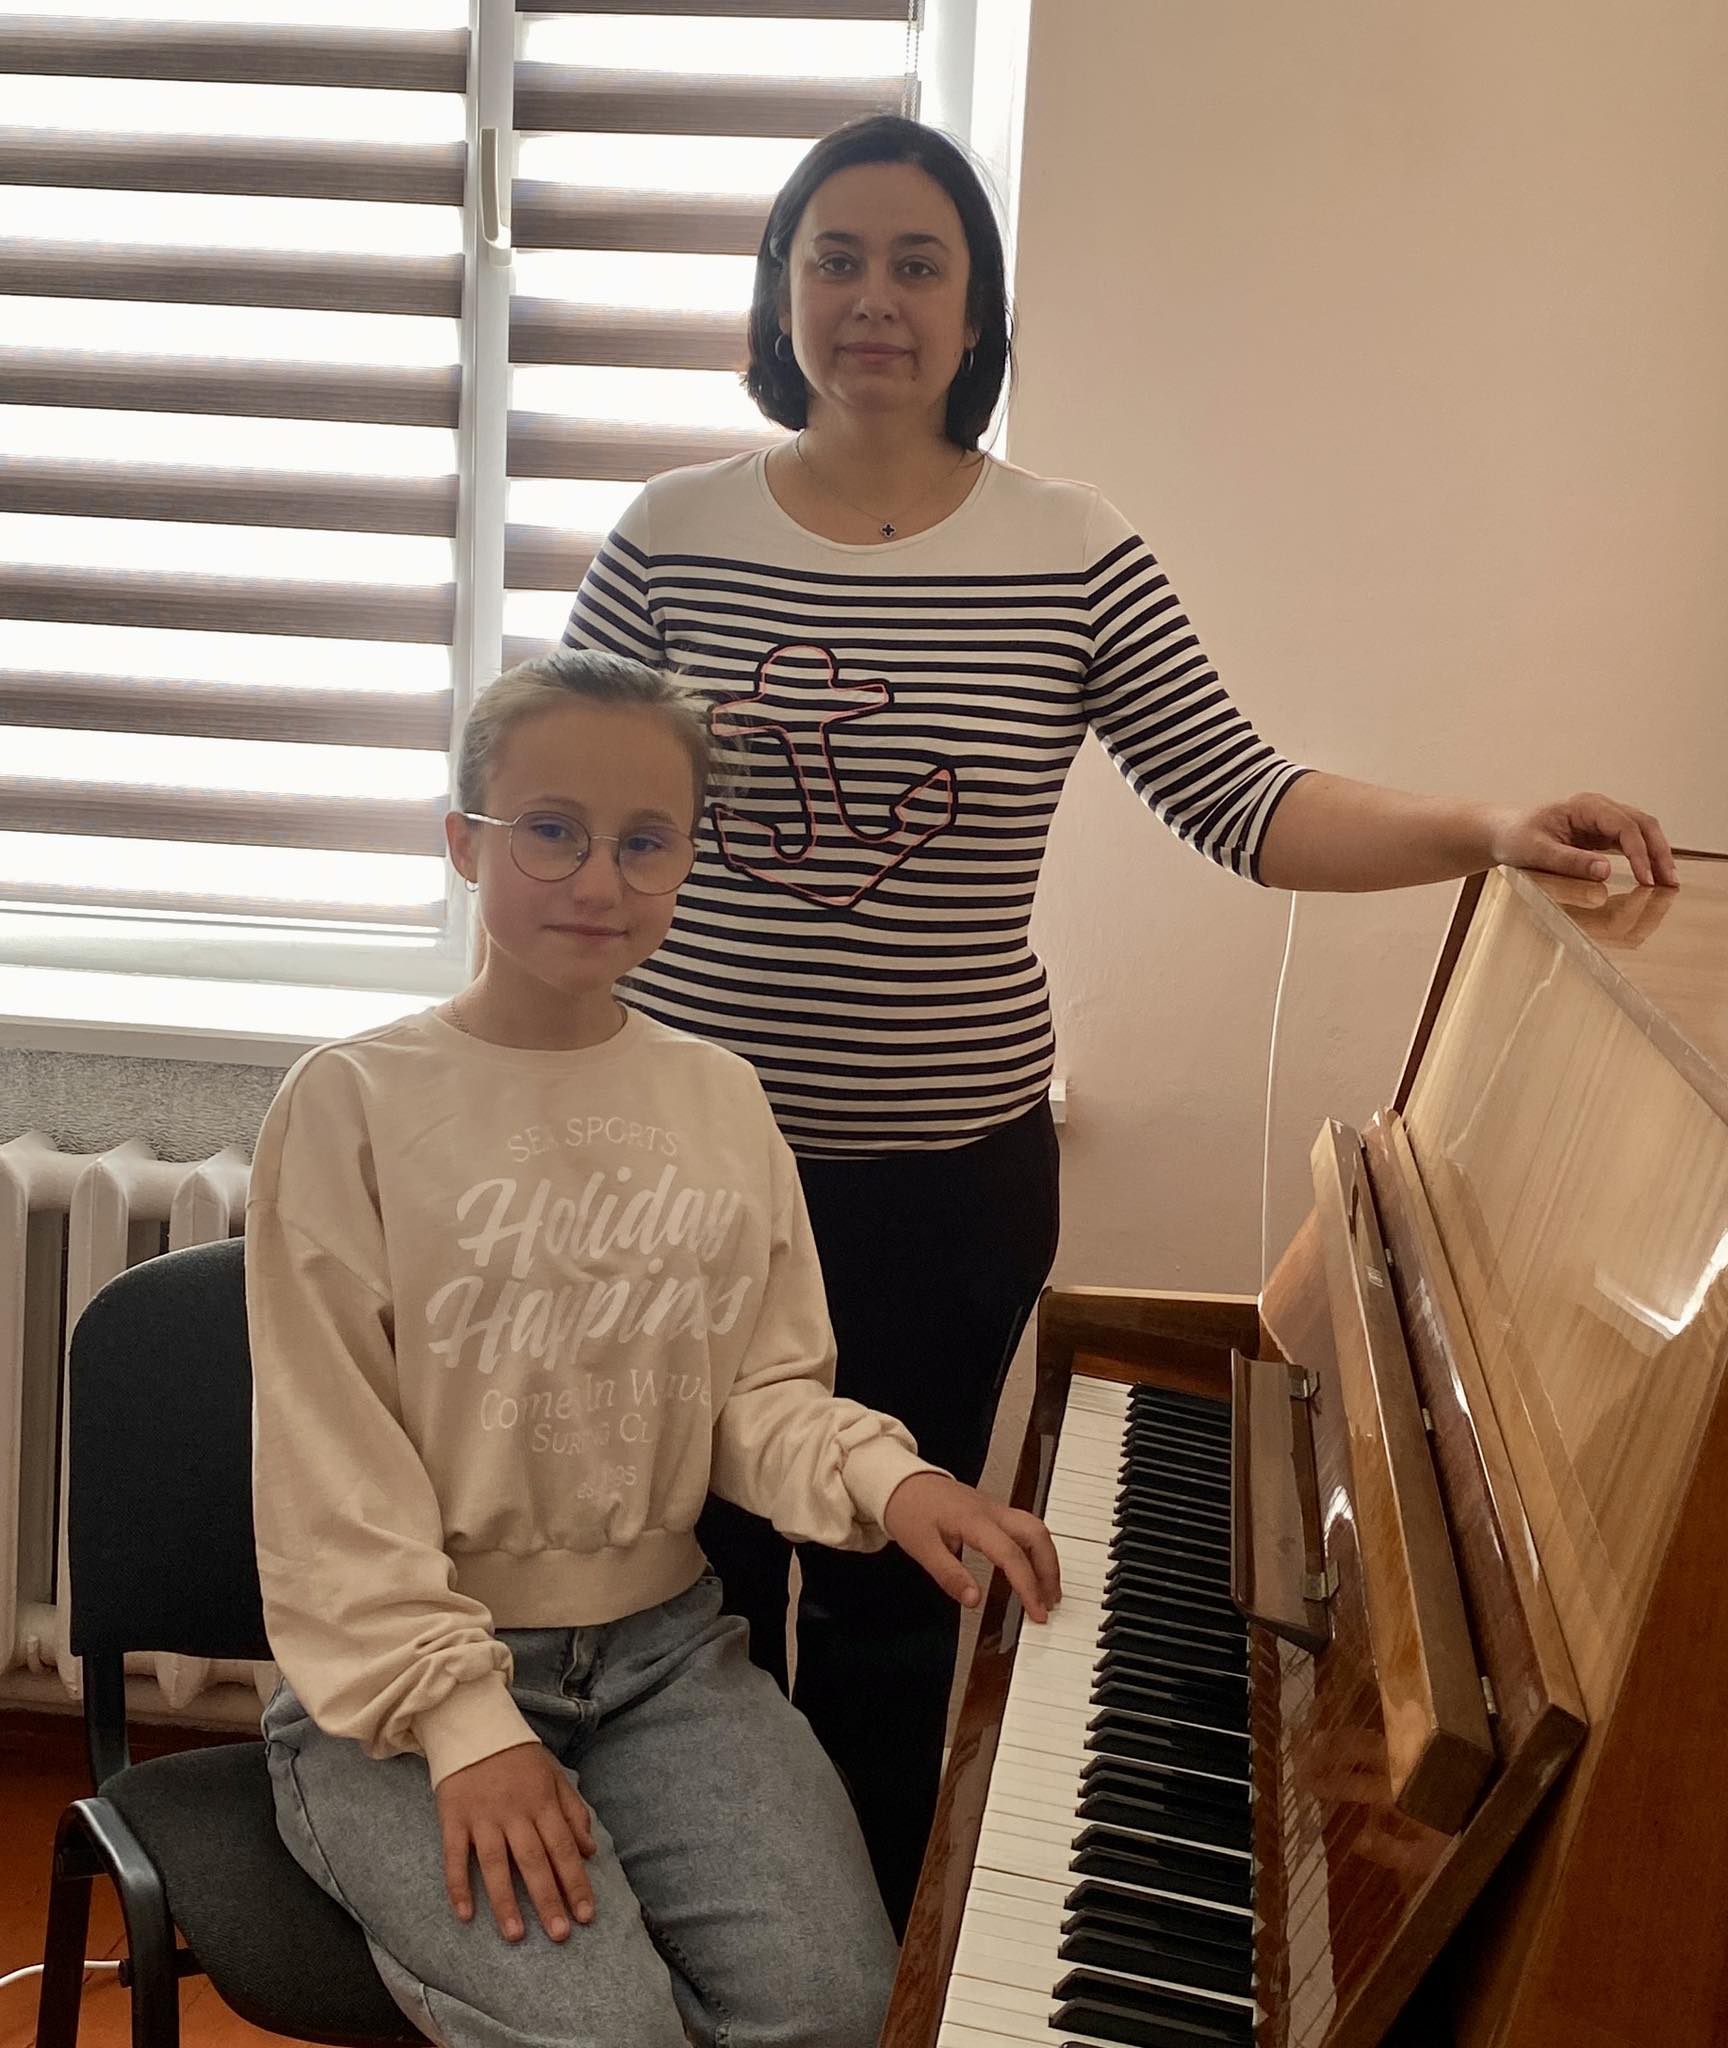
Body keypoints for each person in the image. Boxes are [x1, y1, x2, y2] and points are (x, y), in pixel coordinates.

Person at [559, 110, 1678, 1936]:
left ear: (978, 307)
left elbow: (1245, 797)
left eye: (919, 263)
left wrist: (1484, 825)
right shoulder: (670, 538)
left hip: (943, 1188)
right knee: (676, 1593)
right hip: (672, 1173)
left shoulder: (1067, 550)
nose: (873, 298)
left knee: (890, 1596)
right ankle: (683, 1965)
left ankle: (848, 1975)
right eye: (835, 257)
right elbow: (564, 813)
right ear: (779, 290)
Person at [247, 648, 1062, 2048]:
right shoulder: (351, 1103)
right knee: (608, 2031)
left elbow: (755, 1391)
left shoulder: (720, 1095)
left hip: (669, 1657)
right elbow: (330, 1470)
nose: (598, 880)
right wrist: (467, 1727)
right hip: (398, 1691)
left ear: (691, 855)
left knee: (841, 2012)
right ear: (464, 843)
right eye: (550, 830)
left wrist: (892, 1479)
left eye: (645, 841)